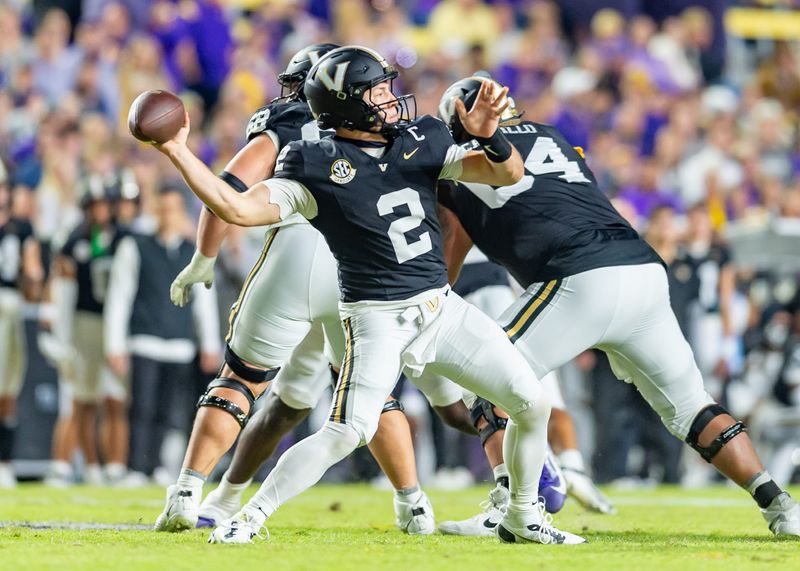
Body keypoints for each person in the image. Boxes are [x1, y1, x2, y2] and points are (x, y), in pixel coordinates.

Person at [155, 45, 584, 545]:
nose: (390, 98)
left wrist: (490, 138)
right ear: (349, 104)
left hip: (442, 308)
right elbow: (236, 206)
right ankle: (248, 517)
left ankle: (522, 514)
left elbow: (509, 175)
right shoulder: (312, 163)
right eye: (378, 90)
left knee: (531, 403)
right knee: (346, 431)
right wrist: (177, 151)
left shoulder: (418, 139)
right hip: (378, 316)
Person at [435, 75, 800, 537]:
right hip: (643, 269)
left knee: (481, 375)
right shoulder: (554, 137)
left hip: (581, 276)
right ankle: (781, 506)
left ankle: (510, 508)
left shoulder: (461, 171)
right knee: (692, 407)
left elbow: (452, 250)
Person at [154, 43, 454, 536]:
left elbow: (228, 194)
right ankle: (413, 503)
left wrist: (202, 260)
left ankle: (188, 491)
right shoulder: (393, 131)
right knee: (371, 395)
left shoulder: (289, 121)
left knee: (242, 379)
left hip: (295, 252)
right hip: (360, 267)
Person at [105, 186, 220, 483]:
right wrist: (115, 344)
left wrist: (209, 343)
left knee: (169, 412)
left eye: (174, 209)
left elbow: (204, 301)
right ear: (156, 211)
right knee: (141, 408)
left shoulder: (192, 252)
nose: (168, 215)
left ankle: (155, 465)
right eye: (163, 208)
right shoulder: (135, 246)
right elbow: (120, 297)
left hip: (179, 344)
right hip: (144, 339)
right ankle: (136, 467)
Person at [50, 177, 128, 485]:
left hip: (115, 324)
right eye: (94, 206)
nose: (99, 211)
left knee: (114, 398)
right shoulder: (76, 239)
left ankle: (114, 466)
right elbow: (62, 278)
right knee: (83, 398)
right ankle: (86, 464)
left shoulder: (123, 237)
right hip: (85, 321)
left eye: (103, 205)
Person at [0, 171, 43, 487]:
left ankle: (5, 459)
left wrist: (34, 277)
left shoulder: (22, 228)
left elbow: (32, 280)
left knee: (9, 388)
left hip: (10, 307)